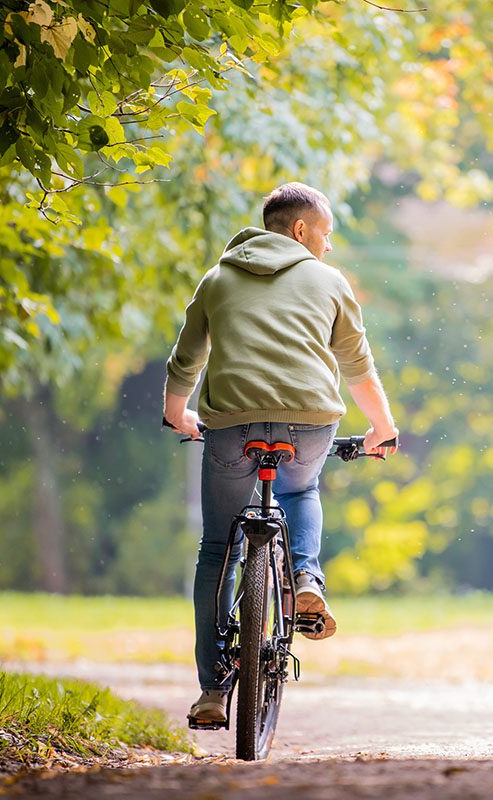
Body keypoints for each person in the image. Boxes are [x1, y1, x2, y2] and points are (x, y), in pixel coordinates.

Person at [163, 182, 399, 725]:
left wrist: (179, 414)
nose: (329, 246)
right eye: (326, 234)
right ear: (300, 230)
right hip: (310, 422)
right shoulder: (329, 281)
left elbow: (186, 358)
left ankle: (212, 690)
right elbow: (357, 365)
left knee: (219, 546)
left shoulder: (217, 279)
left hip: (230, 424)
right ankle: (305, 580)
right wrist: (382, 427)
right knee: (300, 487)